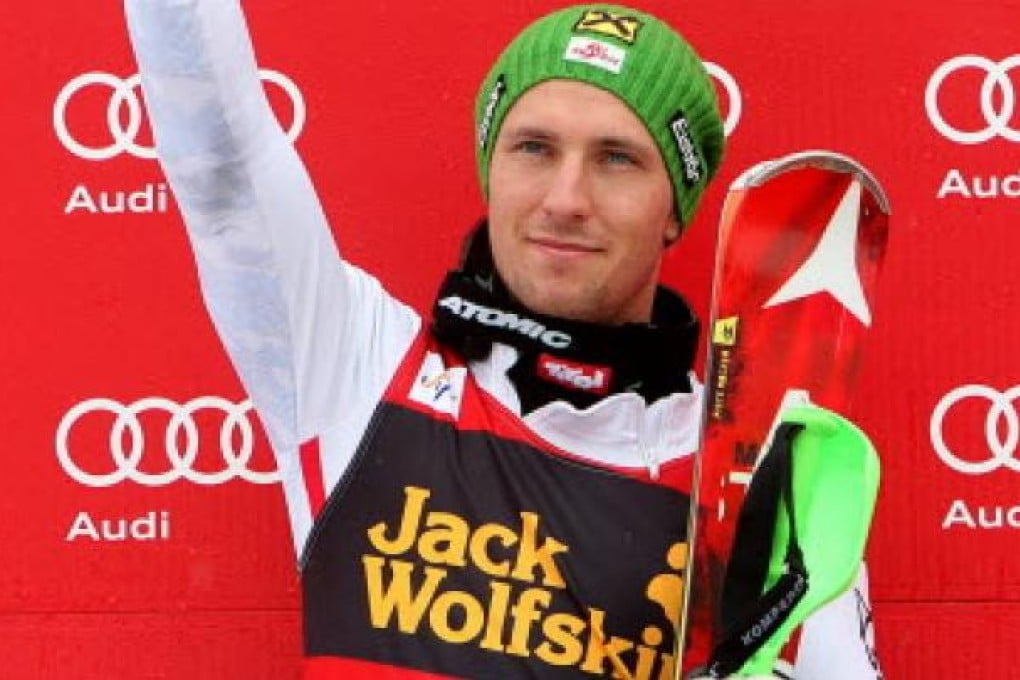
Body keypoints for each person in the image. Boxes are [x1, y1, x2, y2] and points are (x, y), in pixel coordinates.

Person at [124, 2, 881, 678]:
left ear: (674, 208)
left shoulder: (749, 489)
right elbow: (222, 170)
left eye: (617, 159)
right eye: (534, 148)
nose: (566, 199)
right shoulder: (357, 371)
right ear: (491, 172)